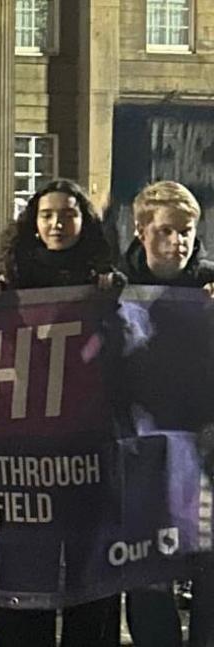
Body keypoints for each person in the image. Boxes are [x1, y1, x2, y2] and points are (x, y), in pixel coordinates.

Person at [0, 179, 121, 647]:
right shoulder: (9, 277)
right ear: (33, 222)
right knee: (26, 558)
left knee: (93, 557)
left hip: (90, 442)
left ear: (84, 221)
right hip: (28, 445)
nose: (57, 224)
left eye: (67, 214)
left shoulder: (108, 278)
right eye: (46, 215)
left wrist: (112, 298)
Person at [117, 181, 214, 647]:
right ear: (141, 230)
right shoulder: (113, 285)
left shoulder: (211, 284)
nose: (178, 241)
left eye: (187, 232)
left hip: (207, 443)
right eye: (167, 231)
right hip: (144, 443)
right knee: (148, 562)